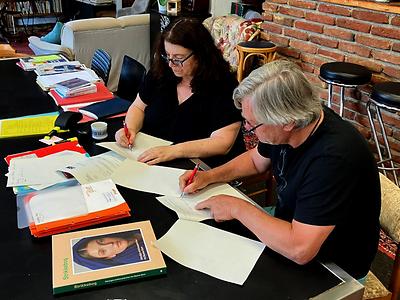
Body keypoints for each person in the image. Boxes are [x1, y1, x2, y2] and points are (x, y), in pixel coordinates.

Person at [179, 60, 381, 280]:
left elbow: (300, 249)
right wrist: (209, 176)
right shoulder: (294, 120)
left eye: (252, 124)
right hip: (290, 228)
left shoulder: (334, 158)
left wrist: (237, 208)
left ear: (287, 122)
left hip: (332, 265)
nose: (247, 130)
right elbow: (257, 161)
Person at [115, 18, 244, 167]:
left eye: (178, 58)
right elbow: (138, 107)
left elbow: (222, 143)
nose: (171, 64)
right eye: (167, 56)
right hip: (153, 157)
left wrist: (173, 151)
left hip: (198, 165)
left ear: (200, 54)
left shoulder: (223, 85)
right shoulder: (162, 71)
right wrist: (130, 129)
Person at [72, 230, 148, 270]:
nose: (110, 244)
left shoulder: (130, 231)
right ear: (109, 257)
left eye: (101, 241)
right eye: (103, 251)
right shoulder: (135, 257)